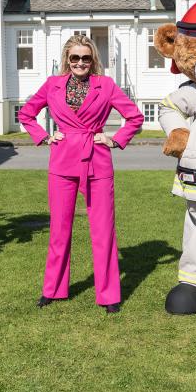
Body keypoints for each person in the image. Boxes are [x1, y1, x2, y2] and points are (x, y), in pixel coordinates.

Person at [18, 34, 144, 313]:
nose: (80, 63)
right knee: (59, 231)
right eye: (74, 57)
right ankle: (53, 289)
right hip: (62, 162)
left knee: (103, 232)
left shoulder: (106, 85)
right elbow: (27, 114)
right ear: (67, 59)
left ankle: (109, 296)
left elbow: (135, 117)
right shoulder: (53, 85)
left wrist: (114, 138)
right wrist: (43, 136)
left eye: (86, 58)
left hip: (97, 161)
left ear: (93, 60)